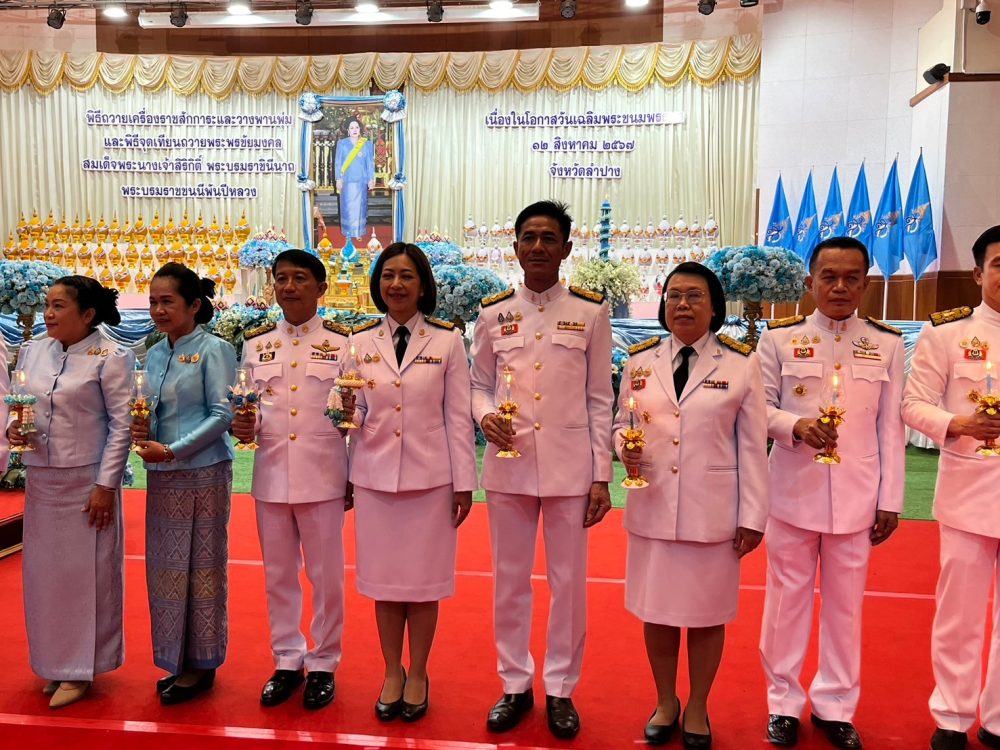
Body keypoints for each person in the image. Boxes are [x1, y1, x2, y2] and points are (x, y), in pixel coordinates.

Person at [469, 200, 614, 740]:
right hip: (508, 466)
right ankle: (514, 683)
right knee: (509, 581)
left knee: (568, 583)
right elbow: (477, 384)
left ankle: (560, 688)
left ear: (566, 248)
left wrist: (601, 475)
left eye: (548, 238)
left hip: (569, 468)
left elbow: (600, 398)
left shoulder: (590, 312)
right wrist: (485, 416)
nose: (537, 247)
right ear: (514, 247)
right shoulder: (493, 312)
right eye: (528, 237)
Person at [757, 236, 905, 750]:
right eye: (829, 276)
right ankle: (783, 703)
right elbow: (758, 409)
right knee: (786, 604)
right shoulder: (779, 339)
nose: (839, 287)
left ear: (865, 284)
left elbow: (891, 428)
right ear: (810, 282)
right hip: (792, 493)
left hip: (858, 496)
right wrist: (795, 426)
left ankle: (836, 706)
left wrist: (891, 499)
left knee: (846, 609)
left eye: (851, 278)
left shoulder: (887, 344)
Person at [615, 261, 769, 747]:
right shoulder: (640, 362)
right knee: (657, 612)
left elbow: (754, 447)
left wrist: (753, 516)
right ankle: (666, 700)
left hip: (713, 513)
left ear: (715, 307)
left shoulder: (741, 364)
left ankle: (698, 704)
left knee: (707, 614)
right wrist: (623, 447)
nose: (682, 305)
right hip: (654, 506)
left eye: (694, 296)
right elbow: (621, 424)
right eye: (674, 296)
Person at [341, 241, 476, 723]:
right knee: (384, 584)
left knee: (422, 585)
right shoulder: (358, 341)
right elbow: (353, 411)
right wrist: (342, 415)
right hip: (375, 479)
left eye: (406, 276)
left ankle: (418, 672)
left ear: (422, 287)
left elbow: (458, 417)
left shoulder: (447, 341)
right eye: (388, 276)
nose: (396, 284)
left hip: (430, 481)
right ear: (377, 284)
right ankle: (391, 671)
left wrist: (464, 483)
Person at [231, 249, 351, 710]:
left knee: (326, 578)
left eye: (299, 278)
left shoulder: (342, 343)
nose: (289, 286)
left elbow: (353, 415)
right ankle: (286, 658)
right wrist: (245, 425)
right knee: (278, 575)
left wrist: (353, 472)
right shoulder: (257, 343)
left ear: (321, 288)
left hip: (323, 475)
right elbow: (252, 407)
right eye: (281, 278)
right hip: (272, 475)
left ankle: (323, 662)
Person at [9, 276, 133, 708]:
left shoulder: (112, 356)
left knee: (85, 579)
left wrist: (106, 485)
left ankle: (82, 669)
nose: (48, 313)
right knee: (44, 577)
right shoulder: (33, 351)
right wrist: (13, 430)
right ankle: (55, 663)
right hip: (42, 479)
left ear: (87, 314)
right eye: (47, 304)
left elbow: (121, 427)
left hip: (87, 483)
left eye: (59, 306)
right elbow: (18, 403)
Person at [902, 225, 1000, 750]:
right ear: (979, 273)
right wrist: (958, 424)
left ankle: (999, 720)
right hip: (969, 491)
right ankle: (953, 716)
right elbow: (913, 403)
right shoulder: (947, 333)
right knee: (960, 612)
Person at [132, 262, 237, 705]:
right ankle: (176, 658)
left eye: (167, 301)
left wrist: (174, 450)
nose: (158, 310)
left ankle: (202, 664)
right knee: (167, 571)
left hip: (203, 472)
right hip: (162, 475)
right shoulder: (155, 352)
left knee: (202, 568)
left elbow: (224, 414)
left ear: (194, 305)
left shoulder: (215, 349)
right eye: (153, 302)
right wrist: (142, 428)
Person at [334, 116, 375, 241]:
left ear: (360, 129)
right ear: (348, 130)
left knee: (360, 207)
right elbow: (338, 162)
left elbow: (370, 163)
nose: (355, 130)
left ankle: (358, 232)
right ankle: (348, 232)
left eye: (356, 127)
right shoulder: (342, 143)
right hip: (347, 180)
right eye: (352, 128)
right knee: (348, 207)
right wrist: (338, 178)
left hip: (361, 181)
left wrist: (371, 179)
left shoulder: (366, 144)